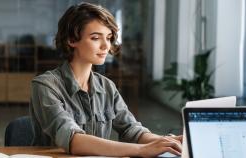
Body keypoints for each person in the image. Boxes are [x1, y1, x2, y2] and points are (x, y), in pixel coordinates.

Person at [30, 2, 182, 157]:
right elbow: (73, 140)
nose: (106, 46)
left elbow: (132, 130)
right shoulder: (45, 86)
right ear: (71, 40)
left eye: (108, 38)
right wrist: (143, 150)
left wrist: (168, 142)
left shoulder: (107, 86)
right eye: (95, 38)